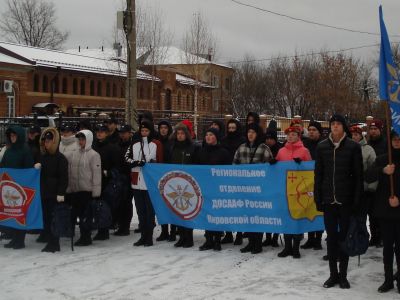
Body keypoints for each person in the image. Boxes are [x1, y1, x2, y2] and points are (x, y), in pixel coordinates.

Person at [314, 114, 363, 289]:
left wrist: (357, 200)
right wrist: (318, 198)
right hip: (328, 200)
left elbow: (358, 176)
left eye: (338, 124)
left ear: (343, 127)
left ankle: (343, 275)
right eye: (332, 124)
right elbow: (318, 175)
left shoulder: (353, 147)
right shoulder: (321, 147)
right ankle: (332, 274)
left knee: (344, 238)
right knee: (331, 238)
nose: (335, 126)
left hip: (345, 200)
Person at [365, 130, 400, 293]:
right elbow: (368, 176)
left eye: (399, 139)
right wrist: (382, 171)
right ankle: (388, 280)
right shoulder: (383, 159)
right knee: (387, 247)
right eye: (394, 139)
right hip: (385, 211)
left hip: (398, 209)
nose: (397, 141)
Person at [233, 123, 273, 254]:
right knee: (247, 216)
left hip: (259, 190)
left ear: (258, 134)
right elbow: (234, 166)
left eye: (253, 132)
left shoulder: (264, 148)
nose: (250, 134)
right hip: (244, 189)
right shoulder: (241, 148)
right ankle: (250, 242)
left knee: (258, 216)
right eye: (249, 132)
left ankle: (258, 243)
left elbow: (270, 170)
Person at [275, 126, 312, 259]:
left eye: (293, 135)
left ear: (298, 136)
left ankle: (296, 248)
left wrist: (301, 164)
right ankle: (287, 247)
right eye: (288, 135)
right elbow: (276, 170)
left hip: (299, 191)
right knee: (286, 218)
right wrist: (273, 163)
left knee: (296, 219)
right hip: (284, 189)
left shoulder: (304, 151)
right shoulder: (281, 151)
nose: (290, 137)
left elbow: (310, 170)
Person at [196, 128, 230, 251]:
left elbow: (228, 171)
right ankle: (208, 240)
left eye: (211, 135)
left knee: (217, 214)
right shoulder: (201, 151)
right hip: (204, 187)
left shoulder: (223, 152)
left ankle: (217, 240)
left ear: (216, 137)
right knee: (206, 213)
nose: (208, 137)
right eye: (206, 135)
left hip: (218, 188)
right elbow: (197, 169)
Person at [66, 130, 102, 246]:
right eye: (79, 139)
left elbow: (97, 175)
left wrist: (96, 193)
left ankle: (86, 237)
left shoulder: (94, 155)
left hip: (87, 190)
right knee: (76, 213)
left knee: (85, 216)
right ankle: (81, 235)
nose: (81, 142)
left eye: (83, 139)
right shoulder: (74, 153)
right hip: (75, 189)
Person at [125, 120, 159, 247]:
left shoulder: (154, 145)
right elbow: (127, 158)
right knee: (140, 210)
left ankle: (149, 236)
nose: (144, 133)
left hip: (148, 182)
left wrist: (139, 162)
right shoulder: (134, 144)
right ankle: (143, 236)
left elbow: (149, 158)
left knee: (149, 211)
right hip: (136, 180)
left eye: (146, 131)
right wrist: (135, 162)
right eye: (142, 131)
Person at [1, 126, 34, 249]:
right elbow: (3, 165)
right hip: (9, 187)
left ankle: (20, 240)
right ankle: (14, 238)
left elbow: (29, 169)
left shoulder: (25, 150)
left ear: (19, 136)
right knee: (12, 213)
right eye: (11, 136)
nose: (12, 138)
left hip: (21, 188)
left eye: (14, 135)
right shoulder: (8, 151)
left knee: (20, 213)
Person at [166, 123, 198, 248]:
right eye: (178, 133)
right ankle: (181, 237)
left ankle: (189, 237)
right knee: (178, 211)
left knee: (188, 210)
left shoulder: (193, 147)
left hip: (189, 184)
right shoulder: (172, 147)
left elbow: (196, 165)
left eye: (182, 133)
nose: (180, 136)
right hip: (175, 184)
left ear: (187, 135)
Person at [37, 128, 68, 252]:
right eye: (45, 141)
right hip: (45, 193)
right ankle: (50, 241)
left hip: (55, 194)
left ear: (54, 142)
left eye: (49, 141)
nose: (46, 143)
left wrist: (61, 193)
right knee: (47, 218)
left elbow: (64, 178)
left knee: (54, 219)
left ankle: (55, 243)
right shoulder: (44, 157)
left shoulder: (61, 159)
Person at [92, 124, 121, 240]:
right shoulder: (93, 146)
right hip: (94, 181)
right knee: (95, 205)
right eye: (97, 131)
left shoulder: (112, 148)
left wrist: (108, 173)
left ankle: (103, 230)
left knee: (104, 206)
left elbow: (118, 166)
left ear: (107, 133)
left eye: (102, 131)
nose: (99, 133)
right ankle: (98, 226)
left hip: (106, 182)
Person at [302, 121, 324, 250]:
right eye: (309, 129)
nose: (311, 132)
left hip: (320, 182)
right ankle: (310, 238)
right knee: (308, 209)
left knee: (318, 210)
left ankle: (318, 239)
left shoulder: (324, 144)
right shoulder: (305, 144)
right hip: (306, 182)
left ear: (319, 132)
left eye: (314, 130)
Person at [367, 119, 387, 247]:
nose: (373, 131)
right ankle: (374, 236)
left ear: (380, 130)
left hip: (383, 183)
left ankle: (383, 236)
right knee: (371, 211)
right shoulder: (368, 144)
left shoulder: (386, 144)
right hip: (370, 183)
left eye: (375, 129)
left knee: (382, 212)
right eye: (371, 129)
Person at [263, 129, 283, 248]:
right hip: (266, 184)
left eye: (271, 138)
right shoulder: (264, 148)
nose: (268, 141)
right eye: (267, 138)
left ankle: (275, 237)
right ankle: (268, 237)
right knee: (267, 212)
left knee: (276, 212)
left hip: (278, 184)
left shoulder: (280, 149)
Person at [156, 120, 175, 242]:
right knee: (162, 205)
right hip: (159, 176)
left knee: (173, 205)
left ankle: (173, 231)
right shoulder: (156, 142)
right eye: (161, 127)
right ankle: (164, 231)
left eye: (165, 128)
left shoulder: (172, 142)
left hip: (172, 177)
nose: (163, 130)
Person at [114, 124, 134, 236]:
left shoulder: (132, 146)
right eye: (121, 133)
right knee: (120, 202)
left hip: (128, 177)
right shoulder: (118, 145)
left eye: (124, 132)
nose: (122, 134)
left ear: (129, 133)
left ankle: (125, 226)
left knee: (126, 202)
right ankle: (121, 224)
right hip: (119, 177)